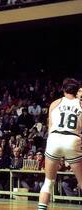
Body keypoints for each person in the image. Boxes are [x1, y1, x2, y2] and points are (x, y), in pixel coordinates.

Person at [38, 78, 82, 210]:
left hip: (54, 138)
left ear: (63, 89)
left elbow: (50, 126)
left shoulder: (55, 103)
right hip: (72, 139)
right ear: (77, 90)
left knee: (48, 181)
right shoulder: (80, 104)